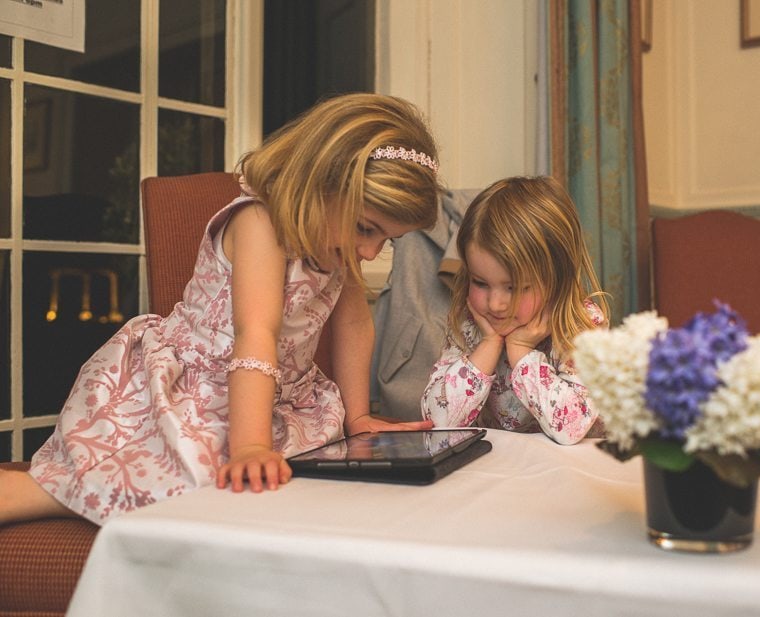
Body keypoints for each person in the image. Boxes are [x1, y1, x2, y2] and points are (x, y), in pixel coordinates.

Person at [0, 93, 441, 526]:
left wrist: (358, 416)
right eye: (366, 228)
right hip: (194, 390)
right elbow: (257, 332)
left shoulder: (335, 245)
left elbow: (354, 323)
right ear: (320, 180)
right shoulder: (260, 223)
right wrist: (249, 447)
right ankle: (45, 491)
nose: (369, 251)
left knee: (305, 487)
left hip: (273, 400)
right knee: (178, 482)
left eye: (386, 240)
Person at [421, 176, 609, 445]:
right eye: (480, 283)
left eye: (515, 288)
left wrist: (521, 350)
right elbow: (438, 422)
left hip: (567, 471)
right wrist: (488, 345)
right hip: (501, 469)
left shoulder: (582, 325)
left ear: (556, 280)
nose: (496, 304)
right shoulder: (471, 324)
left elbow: (571, 428)